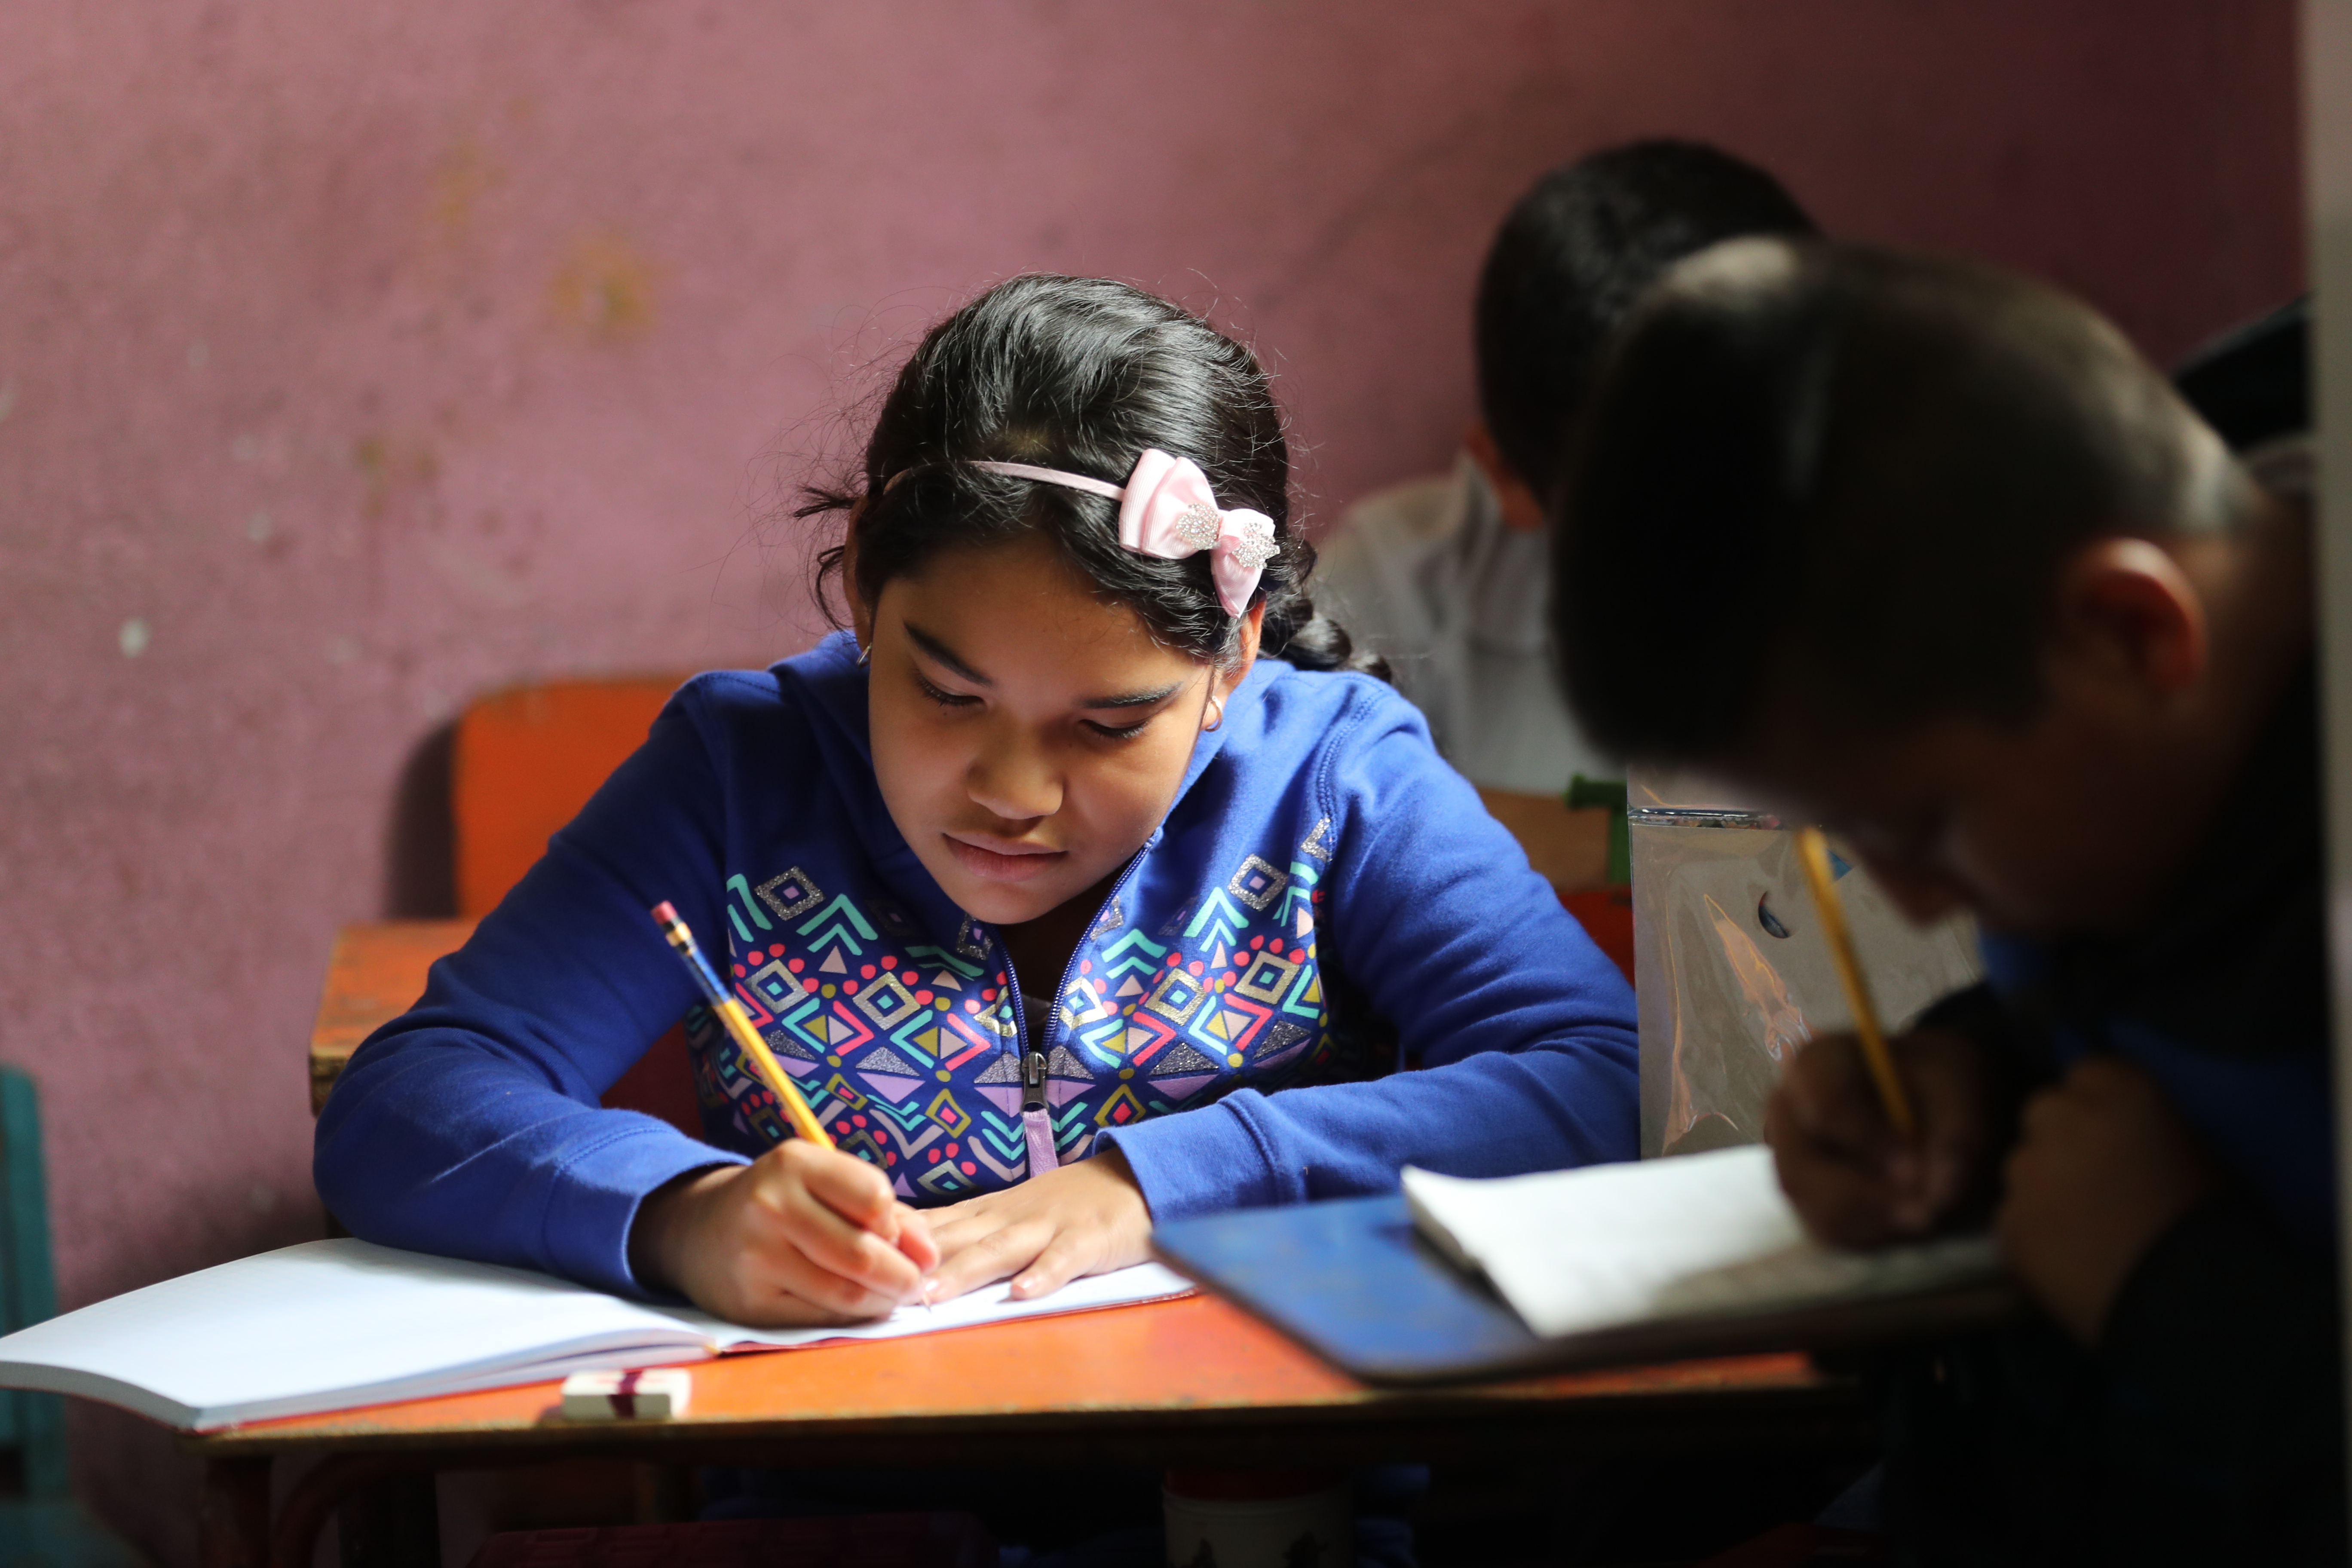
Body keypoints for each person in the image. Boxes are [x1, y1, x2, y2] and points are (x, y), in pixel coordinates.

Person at [315, 273, 1638, 1330]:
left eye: (1110, 724)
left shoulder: (1333, 780)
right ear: (863, 602)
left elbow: (1603, 1079)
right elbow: (411, 1097)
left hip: (1260, 1505)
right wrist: (685, 1214)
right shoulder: (737, 778)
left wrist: (1164, 1183)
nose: (1012, 795)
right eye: (945, 694)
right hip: (836, 1520)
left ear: (1230, 665)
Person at [1551, 238, 2340, 1563]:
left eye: (1916, 832)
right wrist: (1972, 1080)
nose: (1913, 907)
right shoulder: (2126, 730)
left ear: (2136, 634)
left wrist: (2170, 1285)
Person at [1315, 139, 1815, 804]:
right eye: (1667, 527)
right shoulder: (1389, 592)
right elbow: (1301, 820)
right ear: (1507, 478)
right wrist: (1625, 845)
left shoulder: (1947, 564)